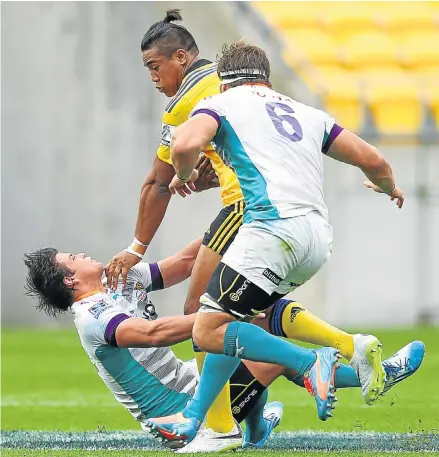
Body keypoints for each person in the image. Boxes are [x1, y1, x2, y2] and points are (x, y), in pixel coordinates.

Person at [105, 11, 394, 449]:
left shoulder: (202, 100)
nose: (152, 76)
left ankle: (221, 422)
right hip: (315, 232)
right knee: (237, 314)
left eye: (153, 66)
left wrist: (140, 241)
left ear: (185, 60)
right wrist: (389, 187)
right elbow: (373, 160)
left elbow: (161, 178)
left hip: (253, 214)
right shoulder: (299, 109)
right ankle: (336, 364)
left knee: (202, 318)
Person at [24, 243, 424, 452]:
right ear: (71, 281)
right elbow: (153, 334)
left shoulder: (119, 280)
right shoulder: (91, 318)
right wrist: (218, 316)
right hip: (178, 417)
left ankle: (258, 425)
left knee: (246, 326)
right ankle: (342, 371)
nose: (83, 253)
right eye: (73, 258)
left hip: (196, 383)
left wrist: (234, 213)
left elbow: (183, 262)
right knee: (246, 337)